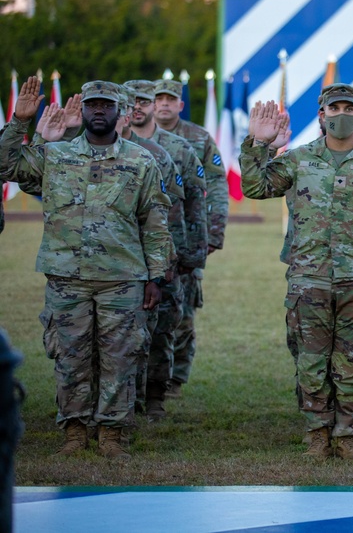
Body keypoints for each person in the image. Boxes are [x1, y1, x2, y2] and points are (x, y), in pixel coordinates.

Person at [0, 77, 171, 459]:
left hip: (122, 279)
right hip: (67, 278)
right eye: (92, 104)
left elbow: (155, 220)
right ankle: (75, 432)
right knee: (70, 356)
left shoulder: (140, 160)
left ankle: (112, 434)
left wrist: (155, 277)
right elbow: (5, 165)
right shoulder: (55, 156)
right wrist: (20, 121)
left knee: (120, 358)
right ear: (83, 110)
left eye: (106, 105)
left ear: (120, 112)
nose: (98, 111)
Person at [240, 86, 353, 461]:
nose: (342, 114)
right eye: (334, 107)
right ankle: (317, 432)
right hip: (309, 277)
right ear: (321, 115)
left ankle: (348, 434)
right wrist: (260, 144)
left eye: (349, 107)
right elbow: (254, 186)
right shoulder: (299, 160)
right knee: (312, 360)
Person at [127, 80, 209, 407]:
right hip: (123, 254)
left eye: (144, 101)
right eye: (130, 101)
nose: (138, 107)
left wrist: (194, 252)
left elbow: (195, 203)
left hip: (167, 255)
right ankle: (122, 398)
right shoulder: (105, 147)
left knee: (163, 327)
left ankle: (156, 397)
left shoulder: (176, 150)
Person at [152, 79, 227, 397]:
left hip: (189, 237)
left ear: (180, 105)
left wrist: (213, 232)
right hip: (153, 237)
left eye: (171, 99)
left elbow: (217, 183)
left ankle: (176, 378)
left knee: (182, 311)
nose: (165, 104)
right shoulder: (132, 137)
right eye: (159, 99)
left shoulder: (198, 138)